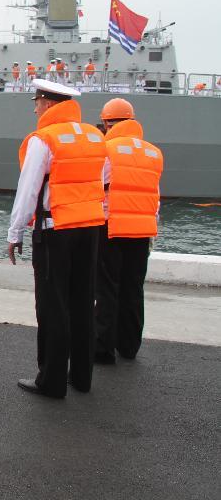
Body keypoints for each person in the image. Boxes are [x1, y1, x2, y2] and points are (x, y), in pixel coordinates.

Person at [7, 79, 107, 399]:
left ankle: (50, 381)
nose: (35, 107)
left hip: (55, 230)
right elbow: (104, 178)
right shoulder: (95, 135)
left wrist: (15, 232)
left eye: (36, 101)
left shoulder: (44, 139)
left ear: (48, 104)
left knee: (54, 306)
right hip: (91, 228)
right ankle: (81, 377)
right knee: (82, 301)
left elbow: (28, 190)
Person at [94, 98, 163, 365]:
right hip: (143, 230)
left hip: (111, 226)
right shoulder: (153, 152)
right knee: (133, 288)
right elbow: (155, 196)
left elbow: (97, 186)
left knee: (107, 287)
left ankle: (102, 348)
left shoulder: (106, 149)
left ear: (108, 122)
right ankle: (130, 345)